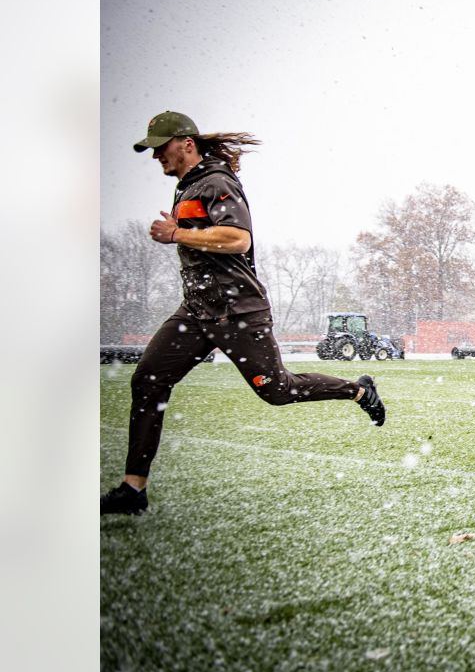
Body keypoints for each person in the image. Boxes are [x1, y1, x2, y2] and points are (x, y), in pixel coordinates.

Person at [100, 111, 387, 515]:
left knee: (278, 390)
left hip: (238, 311)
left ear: (186, 144)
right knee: (148, 379)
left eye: (160, 148)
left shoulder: (217, 182)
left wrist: (177, 234)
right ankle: (133, 490)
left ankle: (357, 389)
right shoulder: (188, 187)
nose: (155, 157)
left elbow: (238, 239)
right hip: (198, 311)